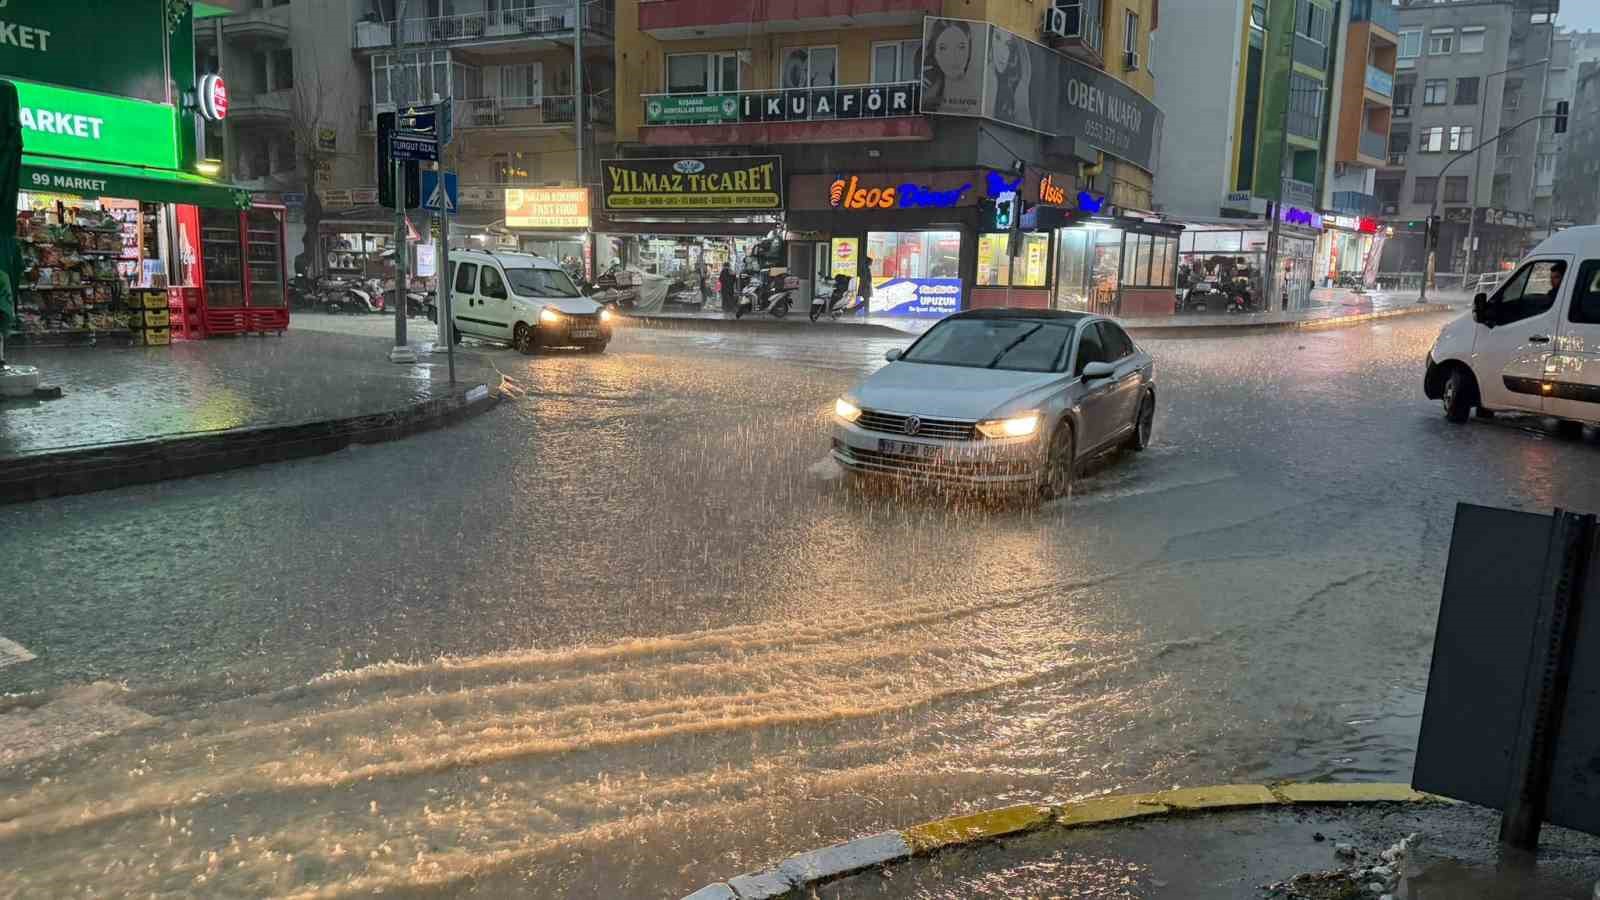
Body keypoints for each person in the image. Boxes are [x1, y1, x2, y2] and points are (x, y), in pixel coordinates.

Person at [922, 20, 981, 115]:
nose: (953, 57)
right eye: (943, 48)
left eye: (961, 47)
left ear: (969, 51)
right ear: (935, 54)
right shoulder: (927, 98)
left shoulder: (982, 98)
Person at [984, 28, 1032, 127]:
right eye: (997, 38)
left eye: (1008, 45)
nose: (1002, 53)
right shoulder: (986, 77)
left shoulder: (1018, 85)